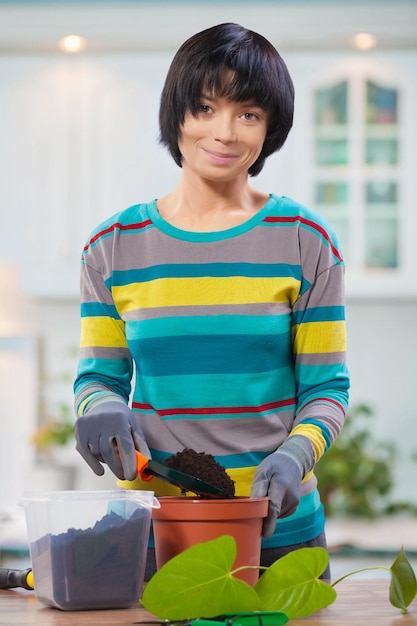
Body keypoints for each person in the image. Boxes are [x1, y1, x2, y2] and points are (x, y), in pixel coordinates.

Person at [73, 22, 349, 581]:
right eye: (205, 107)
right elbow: (97, 379)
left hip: (280, 535)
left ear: (270, 128)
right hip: (158, 532)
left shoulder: (304, 238)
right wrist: (98, 409)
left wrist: (297, 454)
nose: (224, 132)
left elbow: (327, 390)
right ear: (176, 114)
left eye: (248, 114)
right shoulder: (112, 247)